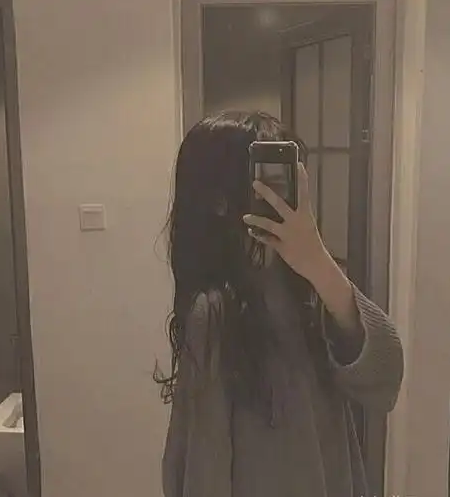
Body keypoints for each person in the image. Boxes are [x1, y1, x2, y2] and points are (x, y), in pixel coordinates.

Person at [155, 110, 404, 497]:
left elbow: (384, 384)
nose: (282, 194)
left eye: (287, 178)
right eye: (263, 180)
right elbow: (204, 465)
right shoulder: (215, 312)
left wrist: (318, 262)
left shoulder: (311, 291)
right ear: (219, 201)